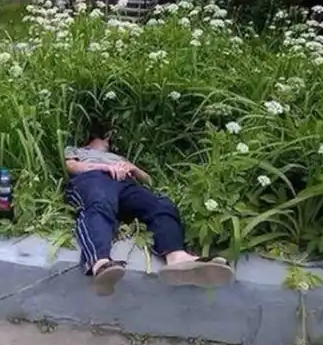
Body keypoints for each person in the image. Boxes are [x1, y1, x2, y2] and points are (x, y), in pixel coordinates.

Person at [64, 122, 234, 296]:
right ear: (93, 139)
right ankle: (100, 263)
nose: (108, 142)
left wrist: (133, 168)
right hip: (93, 178)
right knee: (99, 204)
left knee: (160, 204)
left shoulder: (118, 157)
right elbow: (71, 167)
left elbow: (148, 180)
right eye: (105, 138)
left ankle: (177, 257)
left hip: (125, 184)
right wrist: (105, 167)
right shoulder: (78, 151)